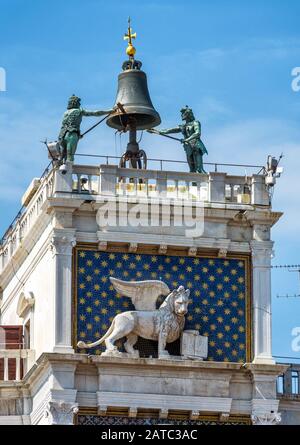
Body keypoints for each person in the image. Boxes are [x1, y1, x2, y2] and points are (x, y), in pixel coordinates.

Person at [152, 106, 207, 173]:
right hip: (188, 147)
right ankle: (194, 182)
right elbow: (170, 130)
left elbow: (197, 133)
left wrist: (187, 139)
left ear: (187, 114)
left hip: (196, 146)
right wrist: (158, 131)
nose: (181, 115)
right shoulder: (183, 126)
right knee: (192, 170)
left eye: (183, 113)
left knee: (199, 169)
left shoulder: (196, 123)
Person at [58, 95, 114, 162]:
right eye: (79, 102)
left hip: (62, 136)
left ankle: (60, 165)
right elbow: (95, 113)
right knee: (70, 157)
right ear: (75, 103)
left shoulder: (65, 113)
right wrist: (108, 111)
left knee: (62, 158)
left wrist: (78, 135)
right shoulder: (79, 111)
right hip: (72, 134)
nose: (80, 104)